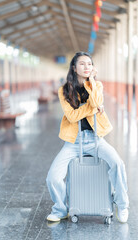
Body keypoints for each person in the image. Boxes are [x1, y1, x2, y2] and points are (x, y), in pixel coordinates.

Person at [46, 52, 129, 223]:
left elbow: (97, 102)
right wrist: (92, 108)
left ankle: (122, 204)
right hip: (73, 142)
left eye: (89, 64)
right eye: (82, 64)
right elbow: (72, 116)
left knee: (117, 164)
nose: (86, 67)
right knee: (53, 177)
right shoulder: (64, 90)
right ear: (74, 68)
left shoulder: (96, 85)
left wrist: (91, 83)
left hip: (96, 139)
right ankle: (61, 209)